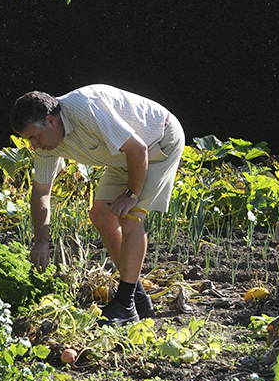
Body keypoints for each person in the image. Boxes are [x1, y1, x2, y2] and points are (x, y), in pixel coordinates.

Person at [10, 84, 185, 326]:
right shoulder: (46, 146)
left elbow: (138, 148)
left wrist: (132, 194)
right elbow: (41, 192)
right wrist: (41, 241)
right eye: (30, 140)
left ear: (51, 121)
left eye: (35, 137)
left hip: (158, 141)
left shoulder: (84, 107)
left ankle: (125, 305)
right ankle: (138, 298)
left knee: (130, 215)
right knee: (101, 214)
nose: (35, 146)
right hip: (124, 156)